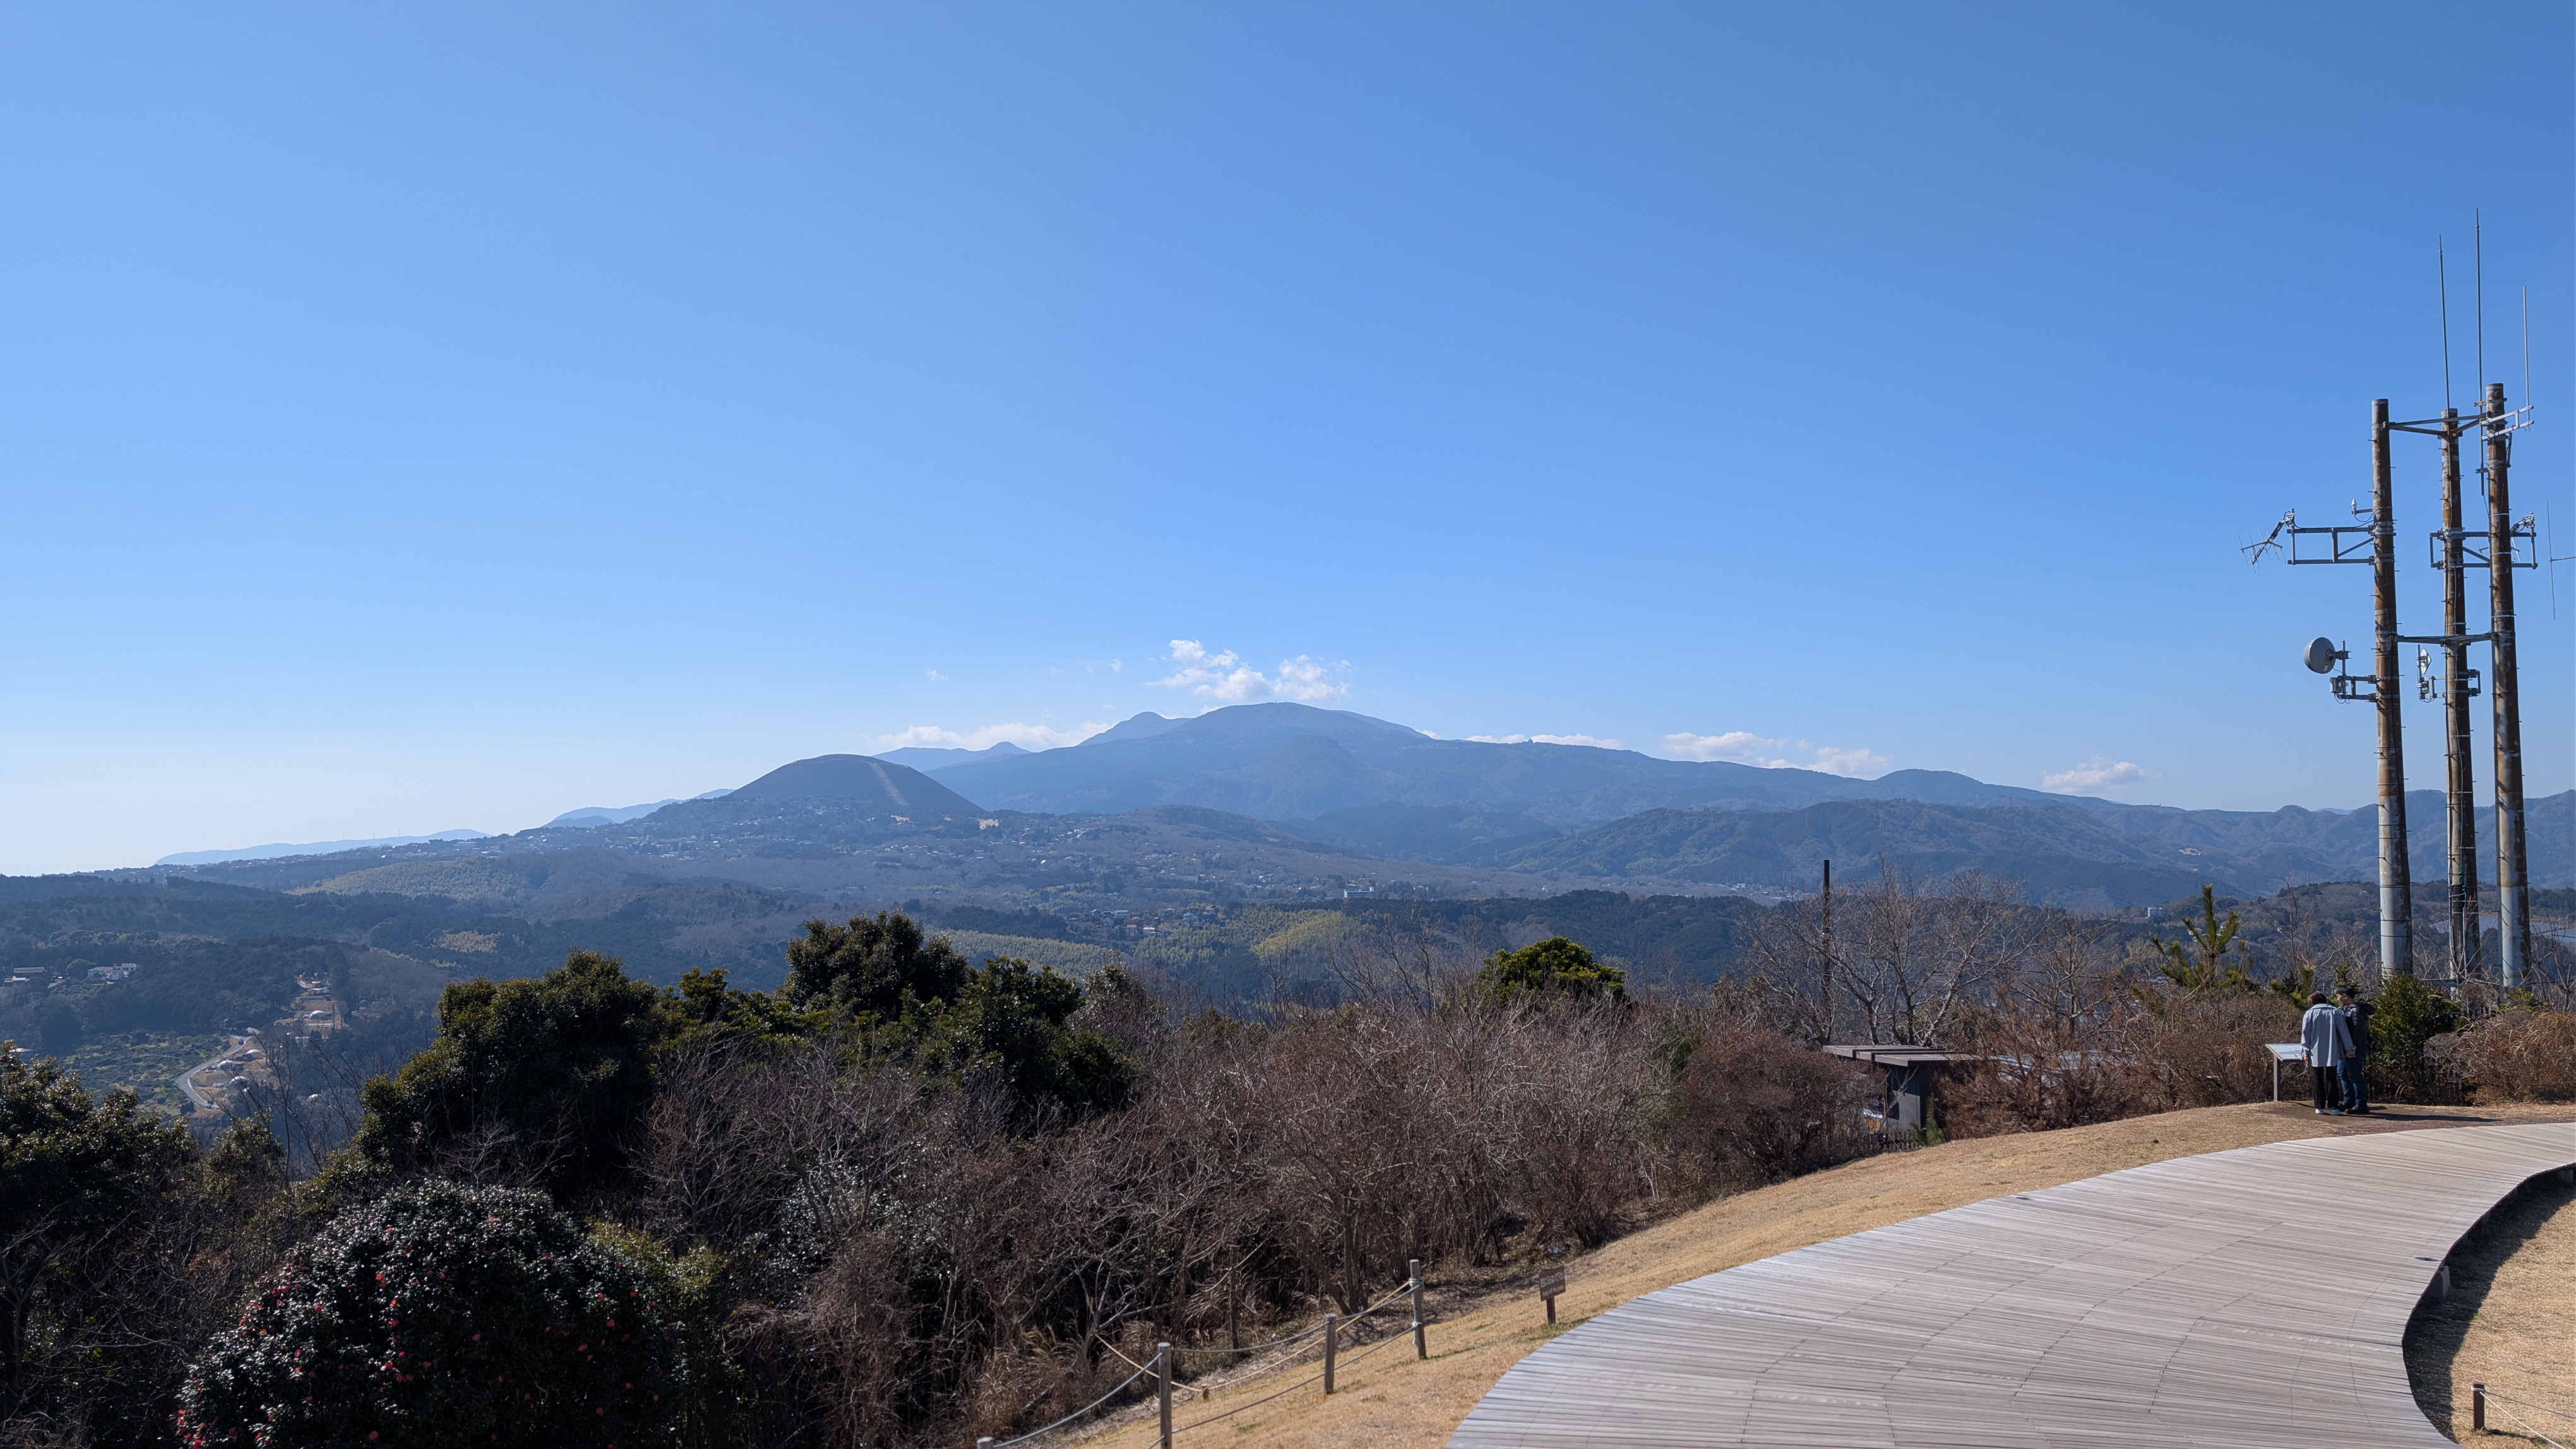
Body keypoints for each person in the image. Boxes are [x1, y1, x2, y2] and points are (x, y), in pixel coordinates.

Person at [2298, 991, 2353, 1115]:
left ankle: (2319, 1106)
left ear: (2313, 1002)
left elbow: (2306, 1034)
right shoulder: (2335, 1012)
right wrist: (2350, 1049)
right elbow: (2344, 1032)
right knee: (2332, 1079)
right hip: (2332, 1050)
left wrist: (2305, 1050)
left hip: (2315, 1050)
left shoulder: (2310, 1013)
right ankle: (2334, 1107)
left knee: (2318, 1079)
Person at [2335, 986, 2373, 1114]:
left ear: (2345, 996)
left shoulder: (2357, 1010)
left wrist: (2351, 1049)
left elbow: (2358, 1031)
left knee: (2355, 1075)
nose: (2338, 999)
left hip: (2355, 1048)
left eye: (2338, 996)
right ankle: (2349, 1101)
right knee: (2343, 1073)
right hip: (2348, 1048)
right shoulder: (2348, 1009)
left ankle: (2361, 1104)